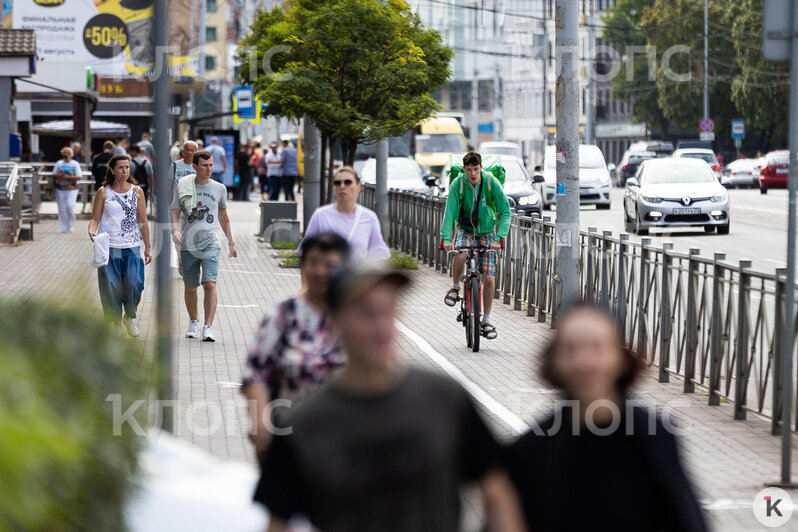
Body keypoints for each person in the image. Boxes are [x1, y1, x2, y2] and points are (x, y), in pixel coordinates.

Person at [252, 261, 526, 532]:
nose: (382, 327)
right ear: (335, 322)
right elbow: (277, 523)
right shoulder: (302, 425)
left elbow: (497, 489)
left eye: (389, 312)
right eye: (367, 314)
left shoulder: (444, 398)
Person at [506, 302, 708, 532]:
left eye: (597, 348)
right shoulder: (531, 450)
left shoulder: (652, 435)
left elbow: (688, 521)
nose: (584, 363)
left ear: (621, 358)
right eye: (571, 349)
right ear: (554, 361)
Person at [242, 233, 350, 457]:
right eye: (313, 263)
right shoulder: (284, 313)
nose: (320, 271)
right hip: (289, 435)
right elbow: (256, 373)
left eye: (329, 265)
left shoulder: (356, 315)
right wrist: (262, 427)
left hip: (345, 440)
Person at [440, 151, 511, 340]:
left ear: (481, 168)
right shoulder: (458, 185)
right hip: (465, 230)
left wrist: (499, 238)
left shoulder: (490, 183)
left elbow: (505, 212)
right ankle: (455, 287)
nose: (473, 174)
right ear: (464, 169)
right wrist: (446, 239)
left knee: (488, 279)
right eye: (469, 169)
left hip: (487, 233)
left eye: (476, 169)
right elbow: (450, 214)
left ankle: (486, 320)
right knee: (461, 253)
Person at [170, 150, 237, 342]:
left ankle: (208, 327)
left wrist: (231, 242)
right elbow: (175, 211)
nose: (209, 169)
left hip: (211, 242)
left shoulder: (219, 188)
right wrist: (176, 230)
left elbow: (223, 215)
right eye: (205, 165)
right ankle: (194, 321)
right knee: (191, 287)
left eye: (211, 165)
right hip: (188, 243)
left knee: (209, 283)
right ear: (195, 167)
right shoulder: (183, 186)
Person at [87, 154, 152, 337]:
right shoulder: (104, 192)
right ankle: (116, 322)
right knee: (112, 287)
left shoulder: (137, 192)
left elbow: (143, 221)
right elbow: (95, 219)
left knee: (135, 284)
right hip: (110, 247)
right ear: (113, 170)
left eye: (127, 167)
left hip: (132, 247)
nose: (125, 171)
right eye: (121, 167)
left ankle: (128, 317)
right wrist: (92, 231)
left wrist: (147, 247)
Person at [300, 166, 390, 261]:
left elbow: (378, 252)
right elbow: (306, 252)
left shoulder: (369, 217)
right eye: (337, 183)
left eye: (348, 182)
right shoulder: (321, 215)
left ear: (358, 187)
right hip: (328, 275)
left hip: (357, 274)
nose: (342, 186)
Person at [53, 147, 83, 233]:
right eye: (64, 156)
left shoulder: (75, 164)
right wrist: (59, 175)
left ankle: (71, 224)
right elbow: (54, 175)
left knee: (70, 206)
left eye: (67, 156)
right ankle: (63, 226)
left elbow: (78, 177)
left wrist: (68, 177)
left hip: (72, 188)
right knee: (62, 208)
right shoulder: (59, 163)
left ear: (71, 156)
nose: (65, 158)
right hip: (60, 188)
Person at [129, 145, 154, 210]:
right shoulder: (147, 163)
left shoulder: (130, 163)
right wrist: (151, 190)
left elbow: (128, 178)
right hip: (145, 188)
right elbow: (151, 178)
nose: (129, 154)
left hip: (133, 188)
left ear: (134, 152)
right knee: (143, 207)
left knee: (134, 207)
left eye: (130, 152)